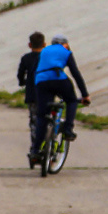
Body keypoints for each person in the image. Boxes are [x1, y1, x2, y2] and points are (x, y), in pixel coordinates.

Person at [31, 33, 89, 164]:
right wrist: (85, 94)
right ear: (65, 44)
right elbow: (75, 74)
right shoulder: (66, 51)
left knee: (42, 116)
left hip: (41, 82)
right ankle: (68, 129)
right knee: (72, 101)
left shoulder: (44, 51)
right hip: (59, 80)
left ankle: (35, 150)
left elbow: (35, 70)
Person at [17, 31, 47, 157]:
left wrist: (22, 82)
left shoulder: (26, 58)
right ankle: (48, 145)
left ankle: (36, 148)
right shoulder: (47, 57)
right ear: (45, 44)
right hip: (47, 94)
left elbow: (20, 74)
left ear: (30, 45)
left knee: (35, 121)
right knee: (47, 119)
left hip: (32, 95)